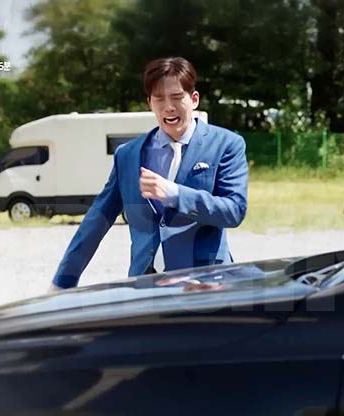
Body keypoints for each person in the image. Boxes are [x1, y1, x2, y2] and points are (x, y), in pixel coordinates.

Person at [49, 56, 248, 291]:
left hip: (206, 284)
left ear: (194, 99)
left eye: (177, 97)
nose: (168, 107)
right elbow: (96, 222)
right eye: (159, 99)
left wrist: (175, 194)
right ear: (149, 103)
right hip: (144, 286)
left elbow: (234, 211)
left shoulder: (226, 144)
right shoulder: (128, 155)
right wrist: (63, 282)